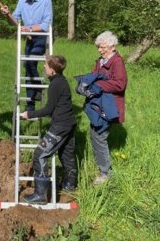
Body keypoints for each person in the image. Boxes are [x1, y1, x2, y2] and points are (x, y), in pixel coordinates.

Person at [21, 55, 77, 204]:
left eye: (46, 65)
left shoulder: (55, 85)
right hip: (69, 123)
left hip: (61, 126)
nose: (44, 67)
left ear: (52, 70)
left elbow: (48, 109)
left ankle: (40, 195)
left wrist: (29, 114)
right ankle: (70, 185)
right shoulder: (61, 81)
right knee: (66, 154)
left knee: (40, 154)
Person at [76, 31, 127, 185]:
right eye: (98, 47)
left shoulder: (117, 62)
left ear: (112, 46)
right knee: (95, 134)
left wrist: (97, 85)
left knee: (99, 136)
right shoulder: (101, 61)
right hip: (98, 105)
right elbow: (94, 76)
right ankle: (103, 169)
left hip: (109, 106)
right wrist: (84, 84)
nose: (99, 49)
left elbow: (120, 84)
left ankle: (106, 174)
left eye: (102, 47)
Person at [1, 0, 53, 111]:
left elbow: (46, 25)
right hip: (29, 38)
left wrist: (28, 28)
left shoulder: (46, 0)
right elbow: (15, 22)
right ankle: (30, 105)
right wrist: (8, 14)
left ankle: (36, 92)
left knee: (30, 62)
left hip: (42, 37)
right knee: (27, 65)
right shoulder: (21, 1)